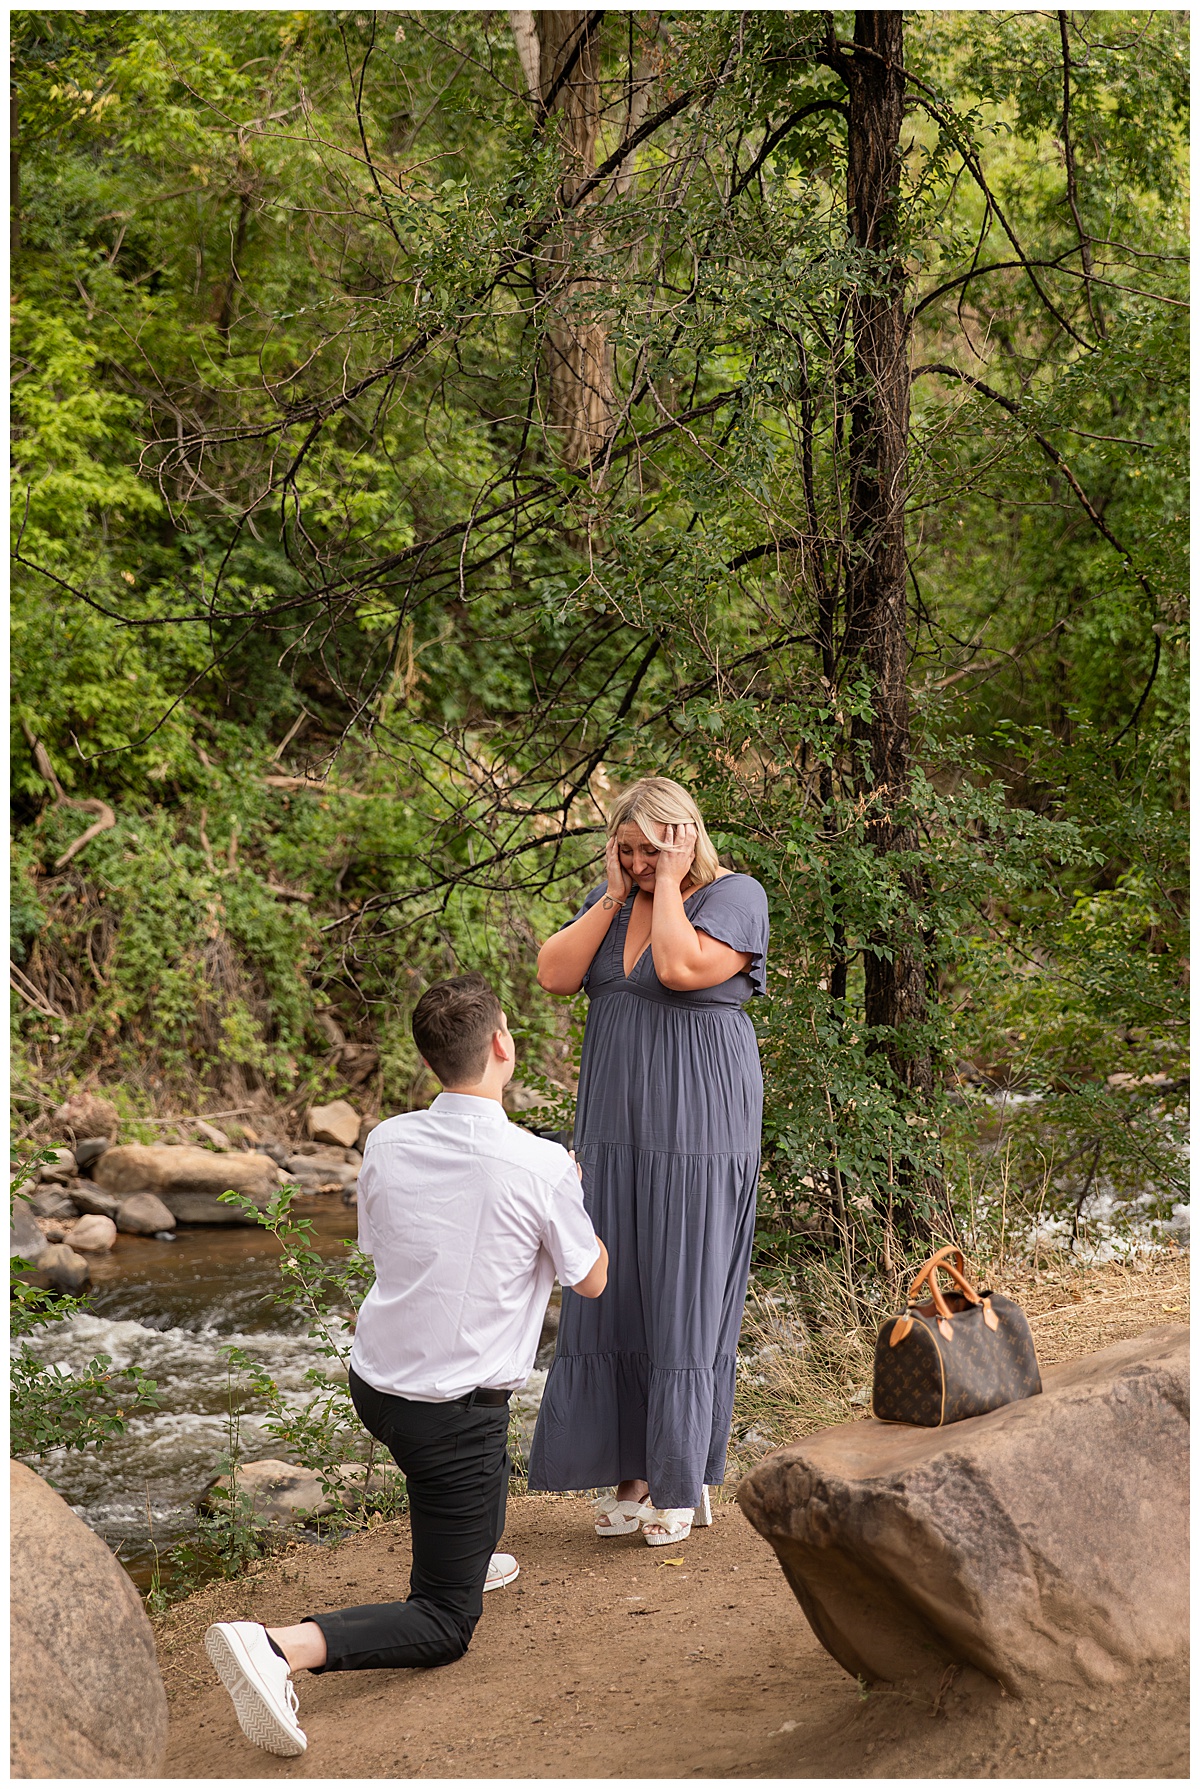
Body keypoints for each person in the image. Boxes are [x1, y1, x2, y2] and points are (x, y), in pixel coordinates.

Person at [204, 973, 608, 1758]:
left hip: (375, 1381)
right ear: (501, 1044)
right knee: (446, 1622)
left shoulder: (386, 1138)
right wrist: (573, 1195)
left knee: (473, 1463)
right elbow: (591, 1277)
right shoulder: (541, 1165)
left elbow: (386, 1251)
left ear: (431, 1059)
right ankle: (277, 1645)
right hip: (446, 1413)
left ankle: (471, 1548)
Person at [528, 776, 769, 1546]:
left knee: (683, 1283)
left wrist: (669, 879)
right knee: (615, 1284)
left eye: (649, 847)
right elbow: (554, 973)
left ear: (686, 833)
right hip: (615, 1126)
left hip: (699, 1126)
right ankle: (629, 1474)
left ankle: (681, 1475)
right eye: (626, 848)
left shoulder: (736, 895)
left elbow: (678, 968)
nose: (636, 861)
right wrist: (612, 892)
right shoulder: (616, 903)